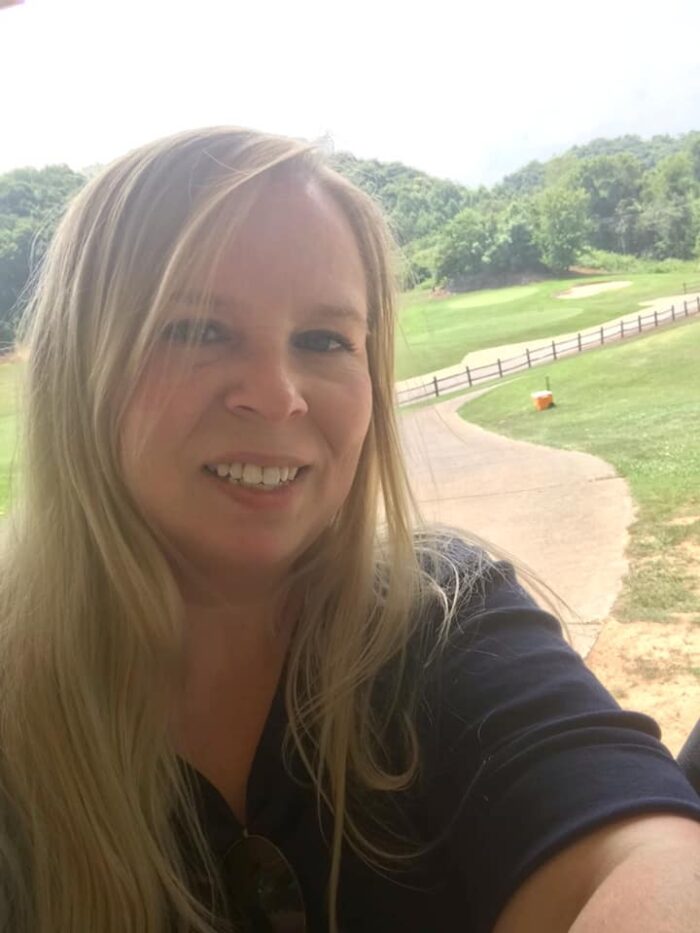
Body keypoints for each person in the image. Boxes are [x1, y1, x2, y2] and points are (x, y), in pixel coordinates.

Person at [0, 127, 698, 933]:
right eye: (195, 328)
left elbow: (645, 854)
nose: (277, 394)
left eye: (324, 339)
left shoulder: (443, 615)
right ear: (78, 364)